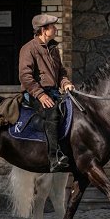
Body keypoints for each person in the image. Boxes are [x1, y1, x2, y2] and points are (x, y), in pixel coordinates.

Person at [19, 14, 75, 172]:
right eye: (52, 27)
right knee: (52, 113)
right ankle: (54, 157)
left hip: (53, 91)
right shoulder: (28, 48)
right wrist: (40, 95)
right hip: (35, 93)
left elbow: (61, 73)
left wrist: (66, 83)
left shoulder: (53, 48)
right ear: (43, 30)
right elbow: (25, 76)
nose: (55, 29)